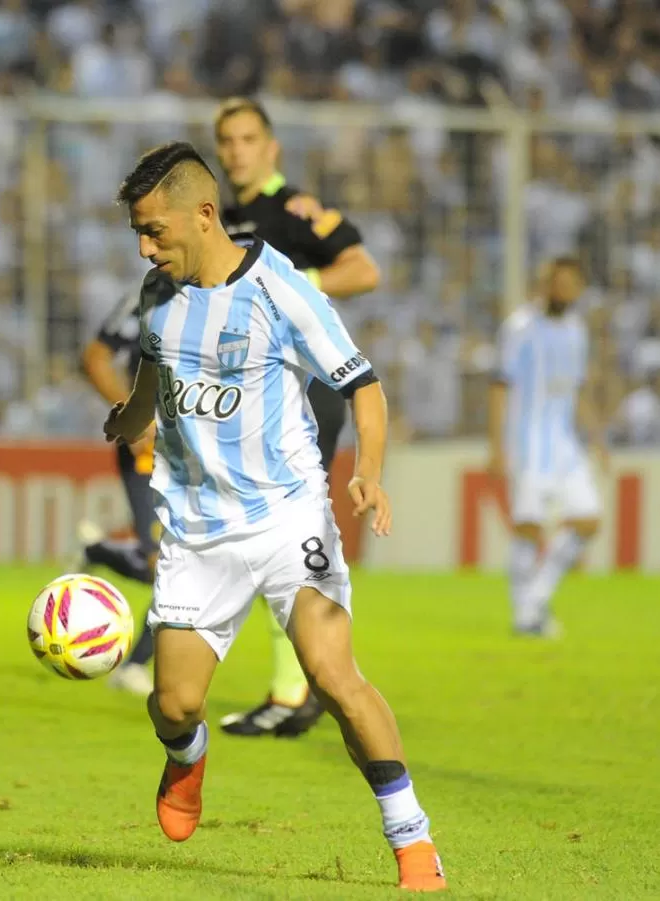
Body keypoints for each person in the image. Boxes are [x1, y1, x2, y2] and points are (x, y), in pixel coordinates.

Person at [103, 141, 446, 893]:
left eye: (154, 230)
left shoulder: (280, 288)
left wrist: (372, 476)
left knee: (333, 674)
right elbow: (151, 384)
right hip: (197, 532)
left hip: (292, 518)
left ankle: (412, 838)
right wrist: (127, 423)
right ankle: (187, 760)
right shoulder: (157, 298)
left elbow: (365, 386)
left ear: (202, 213)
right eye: (137, 231)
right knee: (174, 703)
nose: (143, 245)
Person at [214, 96, 381, 738]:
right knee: (264, 540)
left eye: (248, 138)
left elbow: (364, 269)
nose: (236, 151)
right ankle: (297, 688)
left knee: (287, 538)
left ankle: (301, 689)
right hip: (251, 398)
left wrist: (294, 280)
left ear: (271, 146)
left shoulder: (292, 211)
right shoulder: (223, 220)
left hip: (305, 393)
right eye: (227, 140)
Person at [488, 256, 606, 636]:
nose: (564, 290)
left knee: (589, 519)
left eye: (572, 284)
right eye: (559, 282)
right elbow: (499, 385)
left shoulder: (576, 329)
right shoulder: (521, 327)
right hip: (527, 441)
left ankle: (535, 599)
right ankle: (525, 615)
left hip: (565, 443)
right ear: (547, 284)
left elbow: (577, 389)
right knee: (528, 526)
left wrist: (597, 438)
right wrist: (496, 446)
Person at [73, 291, 160, 695]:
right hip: (151, 454)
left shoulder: (237, 291)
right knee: (164, 566)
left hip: (209, 455)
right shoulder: (151, 296)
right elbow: (95, 356)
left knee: (175, 567)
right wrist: (132, 414)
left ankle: (99, 552)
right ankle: (136, 665)